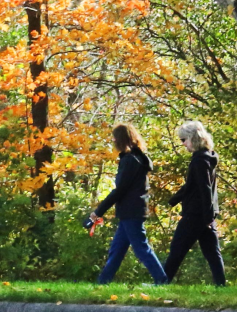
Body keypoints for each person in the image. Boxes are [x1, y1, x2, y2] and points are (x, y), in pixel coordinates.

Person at [90, 124, 169, 285]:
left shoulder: (129, 161)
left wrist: (99, 211)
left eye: (114, 138)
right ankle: (103, 282)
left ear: (120, 140)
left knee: (141, 248)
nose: (113, 141)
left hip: (131, 210)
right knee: (117, 250)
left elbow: (120, 190)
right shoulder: (139, 158)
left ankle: (161, 280)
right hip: (132, 210)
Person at [163, 120, 226, 286]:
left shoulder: (199, 161)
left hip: (196, 214)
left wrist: (206, 217)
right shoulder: (208, 157)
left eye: (184, 140)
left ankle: (162, 281)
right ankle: (221, 285)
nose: (183, 144)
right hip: (206, 214)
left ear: (193, 138)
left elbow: (204, 188)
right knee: (212, 252)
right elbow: (193, 185)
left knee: (177, 249)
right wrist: (175, 199)